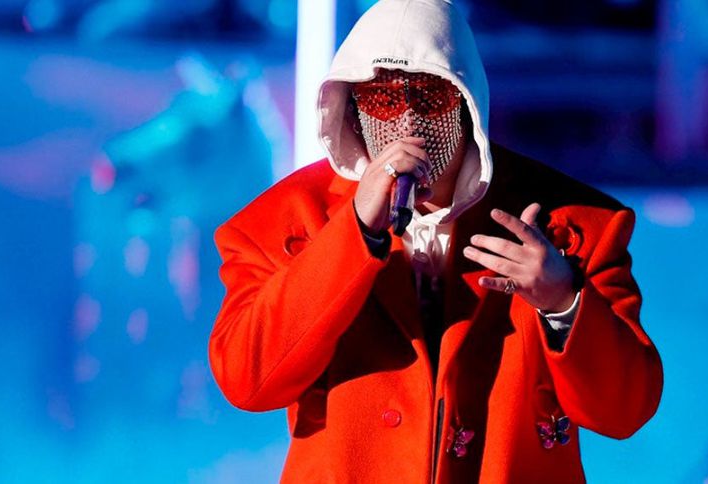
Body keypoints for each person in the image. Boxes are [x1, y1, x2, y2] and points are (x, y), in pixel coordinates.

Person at [208, 0, 663, 482]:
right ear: (352, 106)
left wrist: (562, 302)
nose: (407, 122)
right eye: (383, 99)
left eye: (429, 97)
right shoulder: (286, 221)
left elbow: (624, 411)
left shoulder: (571, 222)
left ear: (467, 102)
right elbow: (247, 381)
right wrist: (352, 233)